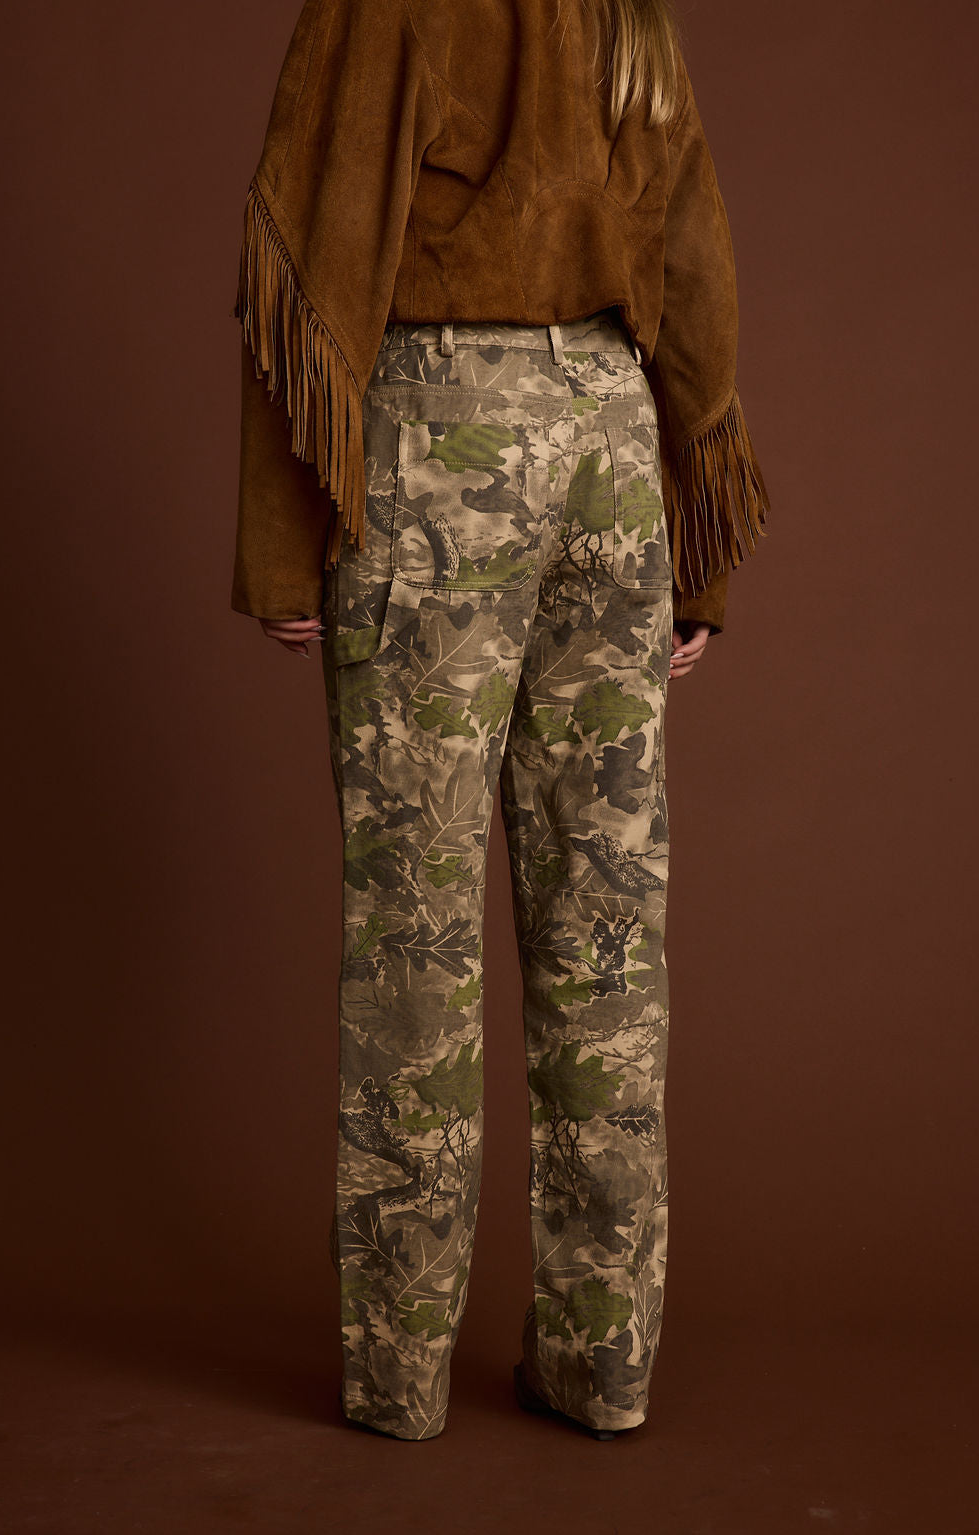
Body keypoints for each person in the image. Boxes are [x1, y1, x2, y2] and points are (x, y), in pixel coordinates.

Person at [229, 0, 770, 1442]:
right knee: (607, 927)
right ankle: (603, 1369)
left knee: (417, 928)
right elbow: (693, 262)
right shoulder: (627, 12)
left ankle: (402, 1380)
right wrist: (698, 551)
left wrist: (283, 541)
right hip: (613, 446)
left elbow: (310, 241)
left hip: (441, 444)